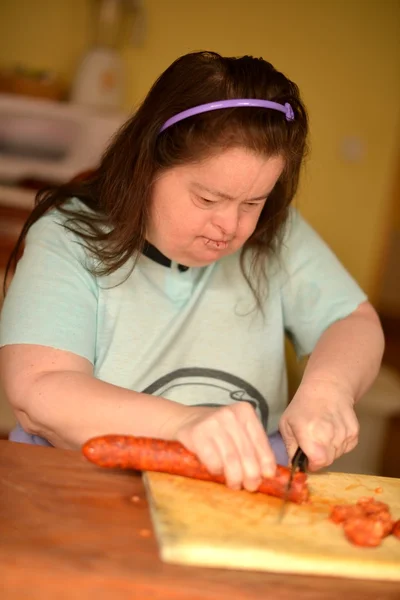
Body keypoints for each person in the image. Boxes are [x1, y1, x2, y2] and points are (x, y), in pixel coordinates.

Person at [0, 51, 384, 493]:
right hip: (82, 495)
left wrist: (329, 389)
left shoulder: (279, 235)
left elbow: (352, 320)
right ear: (147, 167)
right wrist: (181, 423)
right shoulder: (69, 234)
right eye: (207, 199)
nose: (231, 226)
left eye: (252, 203)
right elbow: (39, 390)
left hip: (239, 501)